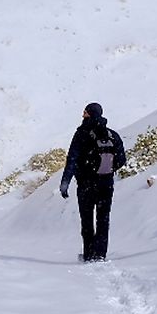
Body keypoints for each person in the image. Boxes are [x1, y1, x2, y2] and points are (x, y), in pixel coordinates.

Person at [59, 102, 126, 262]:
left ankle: (89, 255)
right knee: (103, 219)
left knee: (87, 219)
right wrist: (108, 171)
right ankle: (100, 254)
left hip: (86, 184)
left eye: (85, 112)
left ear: (89, 113)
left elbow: (72, 159)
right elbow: (122, 160)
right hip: (106, 184)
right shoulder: (112, 135)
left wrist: (65, 182)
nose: (83, 115)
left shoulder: (82, 133)